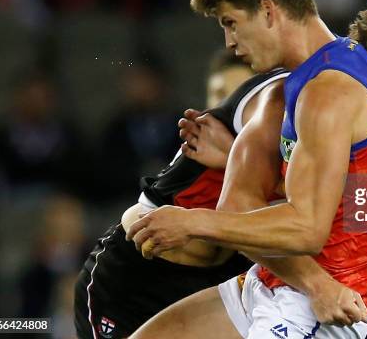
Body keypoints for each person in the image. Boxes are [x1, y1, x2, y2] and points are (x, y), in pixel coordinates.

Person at [127, 0, 367, 339]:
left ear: (267, 11)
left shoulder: (332, 91)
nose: (230, 42)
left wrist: (192, 222)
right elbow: (237, 204)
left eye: (230, 22)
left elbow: (308, 229)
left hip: (315, 312)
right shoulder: (294, 87)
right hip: (274, 282)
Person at [73, 54, 289, 339]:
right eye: (220, 95)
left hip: (218, 284)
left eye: (237, 95)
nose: (224, 106)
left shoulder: (281, 137)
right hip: (139, 280)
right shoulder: (202, 139)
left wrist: (232, 155)